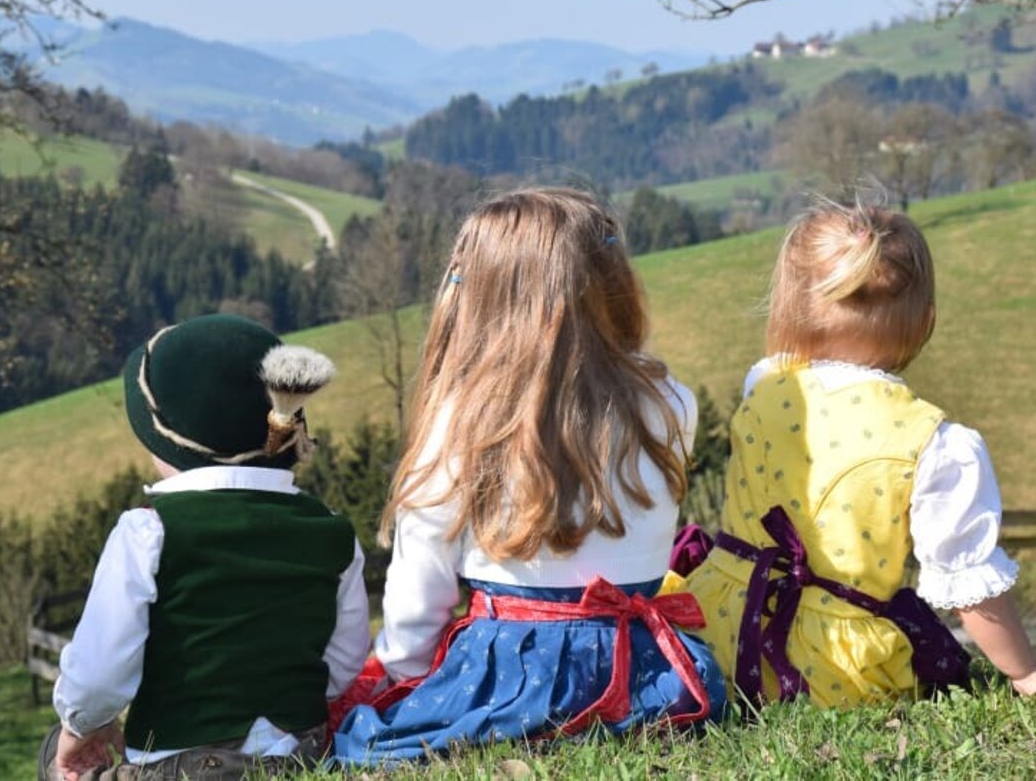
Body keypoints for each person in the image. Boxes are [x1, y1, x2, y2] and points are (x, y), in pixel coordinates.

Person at [331, 187, 727, 765]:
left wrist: (404, 675)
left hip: (512, 679)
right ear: (613, 284)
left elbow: (421, 586)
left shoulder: (459, 419)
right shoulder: (671, 403)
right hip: (649, 674)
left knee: (368, 740)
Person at [674, 196, 1036, 708]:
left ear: (790, 306)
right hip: (834, 669)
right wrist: (1027, 673)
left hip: (720, 636)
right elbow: (970, 585)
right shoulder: (931, 442)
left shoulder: (766, 382)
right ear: (925, 318)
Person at [39, 314, 371, 781]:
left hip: (178, 766)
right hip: (304, 753)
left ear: (166, 441)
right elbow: (344, 660)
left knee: (54, 759)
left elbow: (97, 675)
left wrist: (80, 725)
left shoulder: (148, 533)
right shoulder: (331, 530)